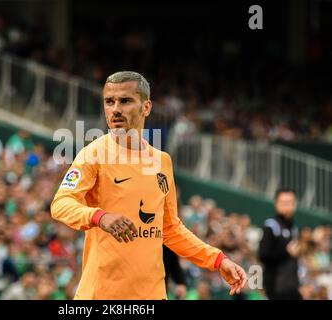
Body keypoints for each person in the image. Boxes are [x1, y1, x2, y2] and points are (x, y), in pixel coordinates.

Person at [50, 71, 247, 299]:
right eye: (109, 101)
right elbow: (60, 204)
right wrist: (100, 217)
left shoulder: (162, 161)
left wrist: (217, 259)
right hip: (102, 294)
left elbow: (170, 228)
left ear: (146, 107)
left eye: (125, 101)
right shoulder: (93, 154)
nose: (115, 109)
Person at [258, 188, 302, 300]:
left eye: (290, 203)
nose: (287, 206)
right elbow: (263, 255)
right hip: (276, 288)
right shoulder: (271, 226)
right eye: (284, 203)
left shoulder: (293, 228)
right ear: (276, 204)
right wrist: (286, 252)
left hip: (292, 286)